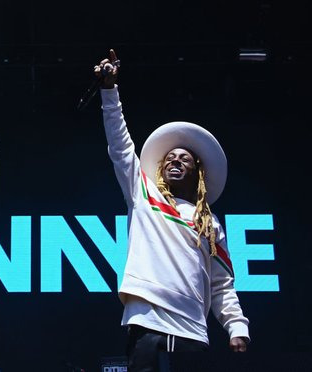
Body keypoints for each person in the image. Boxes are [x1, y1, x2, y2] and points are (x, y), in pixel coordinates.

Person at [94, 49, 250, 372]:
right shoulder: (143, 194)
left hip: (193, 333)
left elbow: (221, 283)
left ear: (198, 173)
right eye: (170, 158)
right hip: (147, 327)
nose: (175, 160)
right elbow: (121, 146)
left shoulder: (209, 223)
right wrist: (110, 91)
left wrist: (236, 325)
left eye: (185, 158)